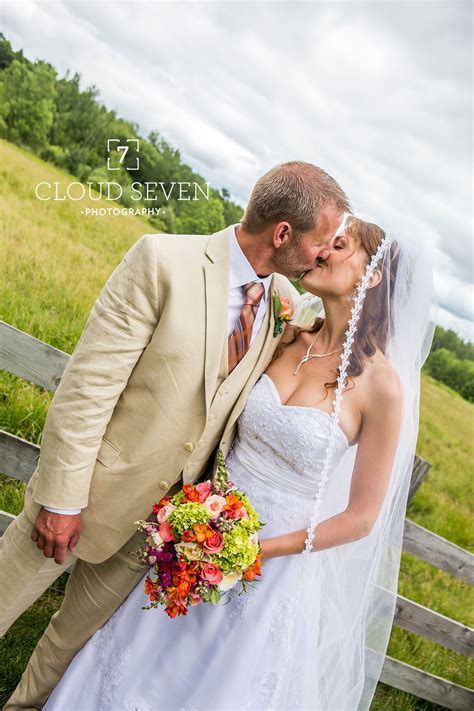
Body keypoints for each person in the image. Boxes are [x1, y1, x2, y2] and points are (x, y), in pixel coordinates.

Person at [39, 216, 434, 710]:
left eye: (339, 245)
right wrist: (198, 518)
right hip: (196, 528)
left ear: (371, 276)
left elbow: (360, 519)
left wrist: (257, 552)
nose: (320, 251)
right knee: (140, 661)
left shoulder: (383, 388)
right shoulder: (286, 334)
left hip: (272, 563)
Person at [2, 161, 350, 709]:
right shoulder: (162, 261)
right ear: (283, 234)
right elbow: (88, 388)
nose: (323, 255)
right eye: (320, 243)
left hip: (159, 527)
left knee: (66, 649)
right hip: (86, 494)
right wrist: (61, 499)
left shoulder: (283, 304)